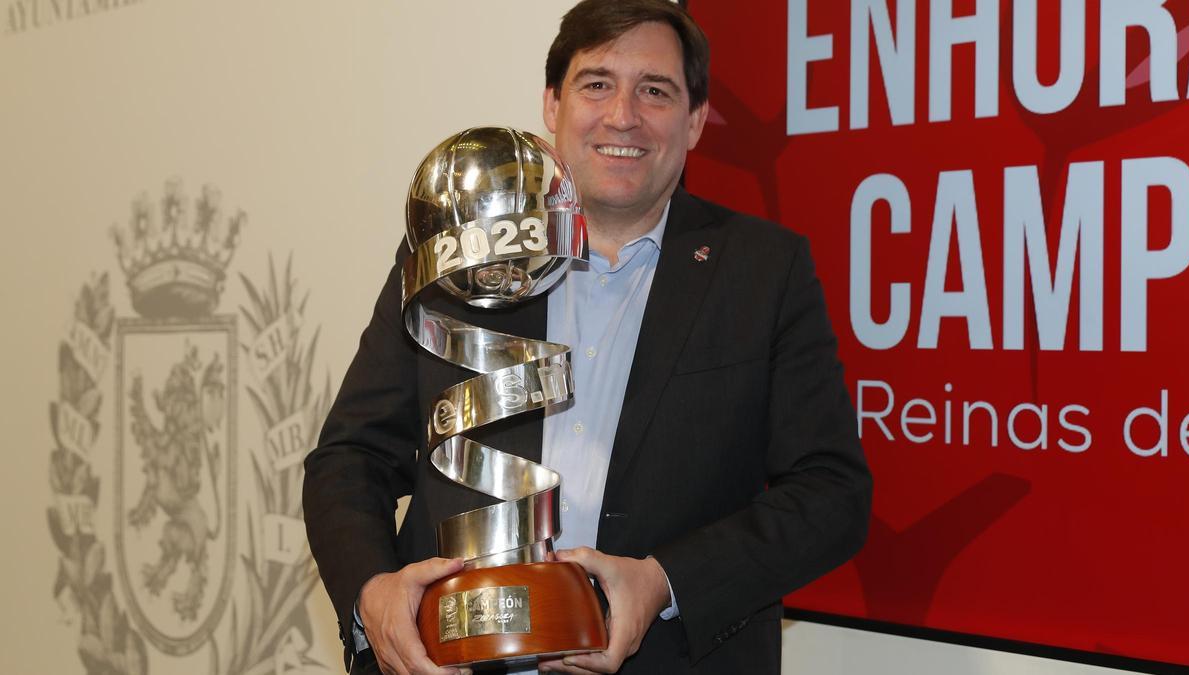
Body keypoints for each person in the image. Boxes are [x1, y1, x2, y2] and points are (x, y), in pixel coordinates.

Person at [302, 1, 872, 674]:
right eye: (596, 83)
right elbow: (349, 457)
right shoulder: (459, 249)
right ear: (552, 103)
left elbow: (833, 493)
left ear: (694, 121)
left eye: (655, 91)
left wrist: (663, 580)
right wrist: (373, 594)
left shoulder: (764, 272)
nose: (622, 115)